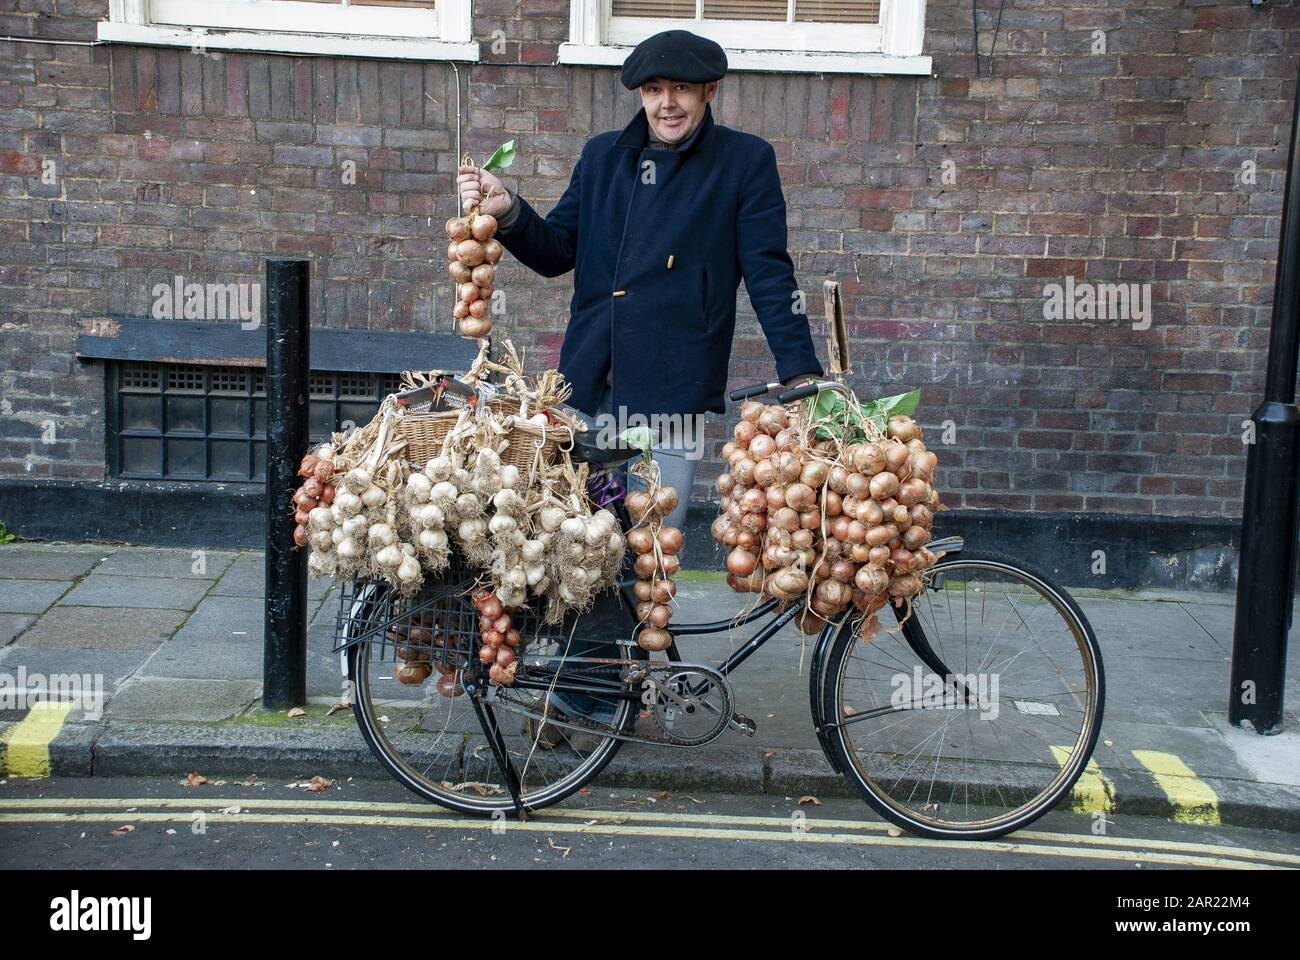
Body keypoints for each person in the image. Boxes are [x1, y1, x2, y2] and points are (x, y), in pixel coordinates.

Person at [457, 29, 822, 739]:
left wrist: (801, 370)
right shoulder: (604, 157)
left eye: (680, 89)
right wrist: (506, 211)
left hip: (672, 392)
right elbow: (558, 251)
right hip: (588, 386)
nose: (667, 103)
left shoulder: (744, 163)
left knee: (645, 547)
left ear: (708, 92)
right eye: (654, 91)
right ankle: (590, 696)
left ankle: (591, 694)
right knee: (585, 543)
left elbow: (771, 274)